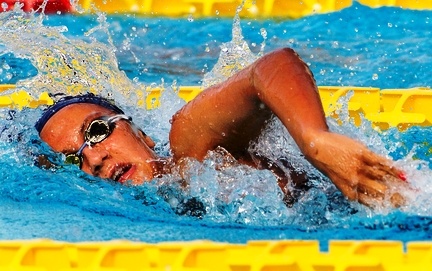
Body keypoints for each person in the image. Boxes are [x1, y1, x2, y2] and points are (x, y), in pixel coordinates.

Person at [35, 48, 407, 207]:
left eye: (96, 131)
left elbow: (271, 67)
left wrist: (315, 140)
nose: (95, 158)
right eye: (74, 160)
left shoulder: (191, 145)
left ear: (140, 132)